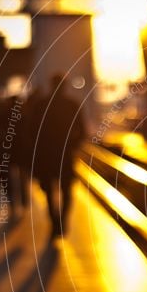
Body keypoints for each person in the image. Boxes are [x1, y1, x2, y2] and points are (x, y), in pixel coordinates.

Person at [34, 74, 84, 240]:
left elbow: (31, 133)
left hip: (46, 156)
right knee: (67, 189)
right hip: (65, 154)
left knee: (48, 190)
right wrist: (72, 144)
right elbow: (82, 130)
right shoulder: (72, 105)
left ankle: (55, 222)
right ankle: (61, 220)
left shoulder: (41, 105)